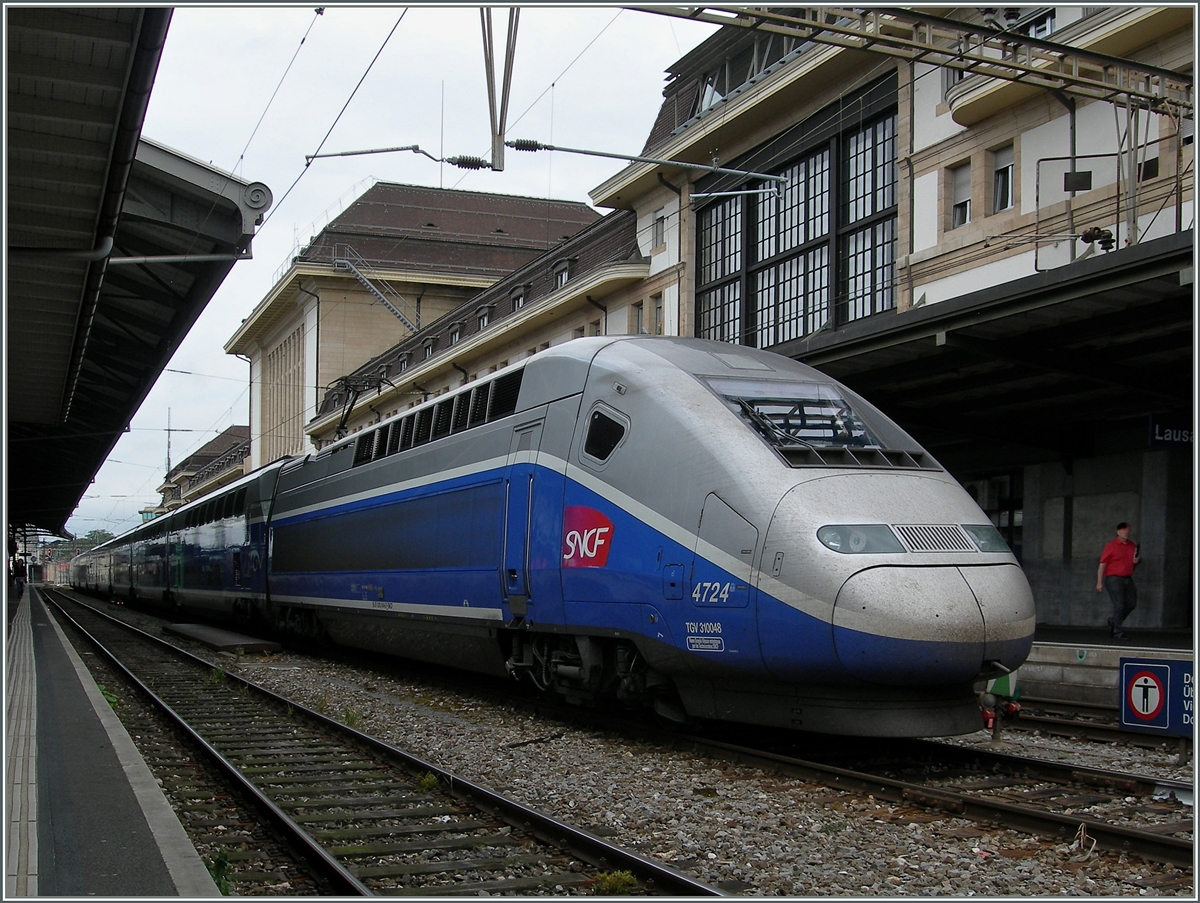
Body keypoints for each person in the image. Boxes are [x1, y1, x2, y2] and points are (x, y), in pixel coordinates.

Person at [1096, 522, 1139, 639]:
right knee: (1119, 605)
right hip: (1114, 578)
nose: (1126, 534)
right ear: (1118, 532)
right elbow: (1103, 564)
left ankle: (1114, 621)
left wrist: (1136, 562)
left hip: (1127, 577)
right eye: (1124, 532)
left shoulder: (1132, 546)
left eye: (1128, 532)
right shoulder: (1111, 546)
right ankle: (1117, 631)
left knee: (1131, 603)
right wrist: (1099, 581)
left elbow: (1132, 564)